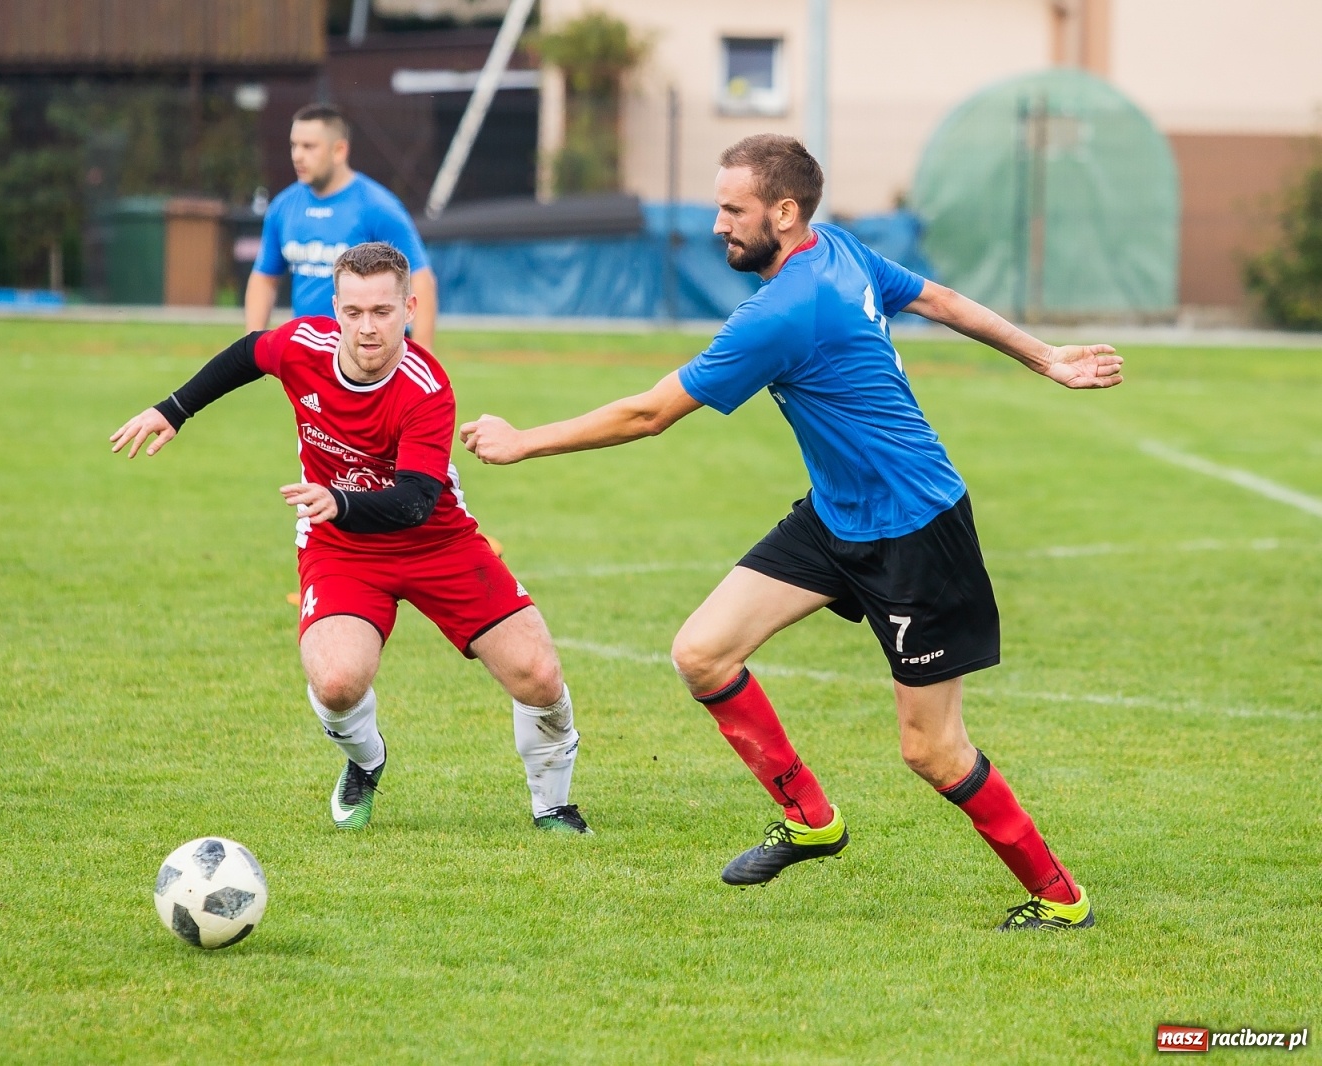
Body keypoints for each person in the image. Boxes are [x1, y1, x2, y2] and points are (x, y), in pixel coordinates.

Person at [459, 134, 1124, 930]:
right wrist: (1043, 355)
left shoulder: (782, 310)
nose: (718, 226)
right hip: (837, 515)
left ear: (784, 211)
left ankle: (1060, 898)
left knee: (932, 750)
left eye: (733, 210)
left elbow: (650, 414)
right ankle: (811, 818)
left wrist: (526, 440)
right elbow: (938, 300)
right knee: (703, 653)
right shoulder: (833, 248)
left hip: (916, 531)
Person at [113, 242, 588, 835]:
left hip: (437, 540)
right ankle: (367, 761)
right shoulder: (301, 345)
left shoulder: (426, 387)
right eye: (355, 311)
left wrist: (338, 499)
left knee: (538, 675)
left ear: (409, 308)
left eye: (383, 312)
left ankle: (553, 807)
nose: (368, 328)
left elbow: (415, 502)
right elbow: (244, 355)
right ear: (334, 307)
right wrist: (174, 409)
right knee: (336, 682)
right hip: (340, 546)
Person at [246, 104, 439, 350]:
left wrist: (422, 357)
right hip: (310, 355)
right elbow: (264, 278)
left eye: (309, 146)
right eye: (294, 145)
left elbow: (421, 279)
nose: (297, 156)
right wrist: (252, 350)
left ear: (339, 150)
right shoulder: (283, 207)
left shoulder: (377, 207)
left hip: (369, 352)